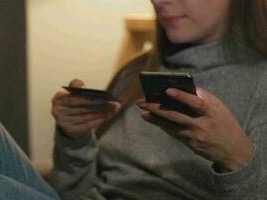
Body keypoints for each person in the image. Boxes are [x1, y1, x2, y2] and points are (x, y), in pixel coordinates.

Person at [50, 0, 267, 199]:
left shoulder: (260, 85)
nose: (158, 1)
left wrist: (236, 159)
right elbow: (73, 193)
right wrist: (74, 140)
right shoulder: (136, 70)